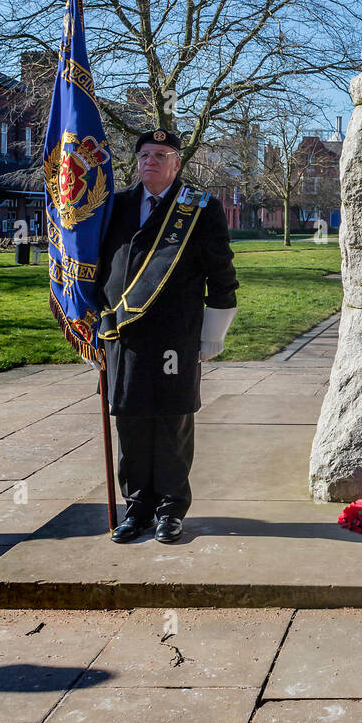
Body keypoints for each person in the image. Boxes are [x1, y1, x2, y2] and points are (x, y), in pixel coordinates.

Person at [97, 129, 238, 544]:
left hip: (176, 334)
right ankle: (137, 507)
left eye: (161, 155)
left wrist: (214, 332)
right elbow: (95, 269)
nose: (150, 162)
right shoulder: (115, 206)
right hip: (123, 334)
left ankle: (171, 509)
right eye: (144, 155)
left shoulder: (199, 207)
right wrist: (91, 330)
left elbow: (222, 273)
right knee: (130, 420)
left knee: (172, 421)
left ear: (177, 163)